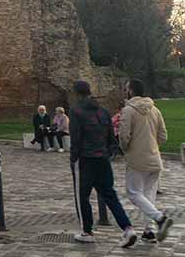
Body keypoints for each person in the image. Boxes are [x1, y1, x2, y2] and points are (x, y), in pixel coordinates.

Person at [69, 80, 137, 247]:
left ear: (77, 93)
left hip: (85, 159)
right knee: (109, 195)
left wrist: (73, 158)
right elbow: (110, 136)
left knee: (82, 197)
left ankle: (87, 231)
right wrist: (109, 151)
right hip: (103, 158)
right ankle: (127, 228)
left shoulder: (76, 111)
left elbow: (76, 138)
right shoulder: (103, 111)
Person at [119, 79, 174, 243]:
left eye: (126, 88)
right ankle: (148, 232)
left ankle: (160, 219)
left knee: (134, 193)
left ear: (131, 91)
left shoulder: (128, 110)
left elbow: (124, 136)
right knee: (148, 195)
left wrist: (126, 149)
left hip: (137, 159)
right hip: (154, 158)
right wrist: (152, 146)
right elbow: (163, 135)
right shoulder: (155, 109)